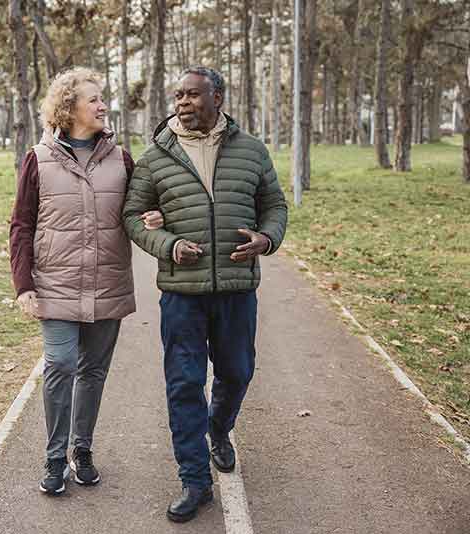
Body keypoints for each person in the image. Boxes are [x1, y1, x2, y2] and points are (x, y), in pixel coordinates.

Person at [122, 66, 288, 522]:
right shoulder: (156, 156)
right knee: (184, 383)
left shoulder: (251, 150)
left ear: (217, 96)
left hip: (237, 288)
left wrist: (266, 239)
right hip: (182, 292)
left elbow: (274, 204)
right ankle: (194, 480)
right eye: (177, 96)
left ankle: (218, 429)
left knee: (237, 371)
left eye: (192, 95)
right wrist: (169, 245)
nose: (182, 103)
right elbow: (133, 215)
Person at [9, 67, 163, 496]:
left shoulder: (121, 158)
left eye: (102, 98)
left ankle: (83, 450)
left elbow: (138, 209)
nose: (102, 105)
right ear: (68, 106)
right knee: (59, 364)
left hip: (106, 282)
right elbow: (21, 225)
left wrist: (153, 216)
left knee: (92, 371)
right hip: (55, 283)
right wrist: (24, 286)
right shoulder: (37, 159)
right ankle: (55, 457)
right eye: (93, 98)